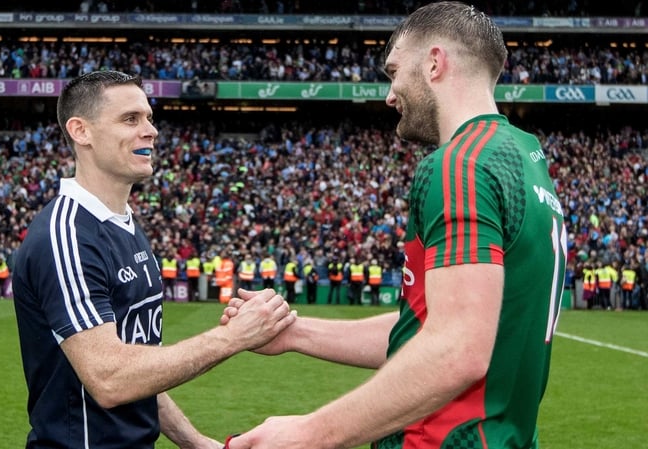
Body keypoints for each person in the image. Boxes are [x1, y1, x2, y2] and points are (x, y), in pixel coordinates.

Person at [224, 3, 568, 448]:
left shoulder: (459, 164)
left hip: (443, 438)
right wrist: (296, 333)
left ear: (433, 63)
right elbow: (433, 323)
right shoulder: (525, 155)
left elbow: (457, 349)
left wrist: (310, 433)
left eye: (393, 71)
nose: (389, 94)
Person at [11, 70, 295, 449]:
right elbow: (110, 379)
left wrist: (196, 442)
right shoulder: (67, 236)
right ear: (81, 131)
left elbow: (141, 369)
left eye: (149, 118)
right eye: (130, 119)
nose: (151, 131)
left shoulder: (125, 226)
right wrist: (233, 337)